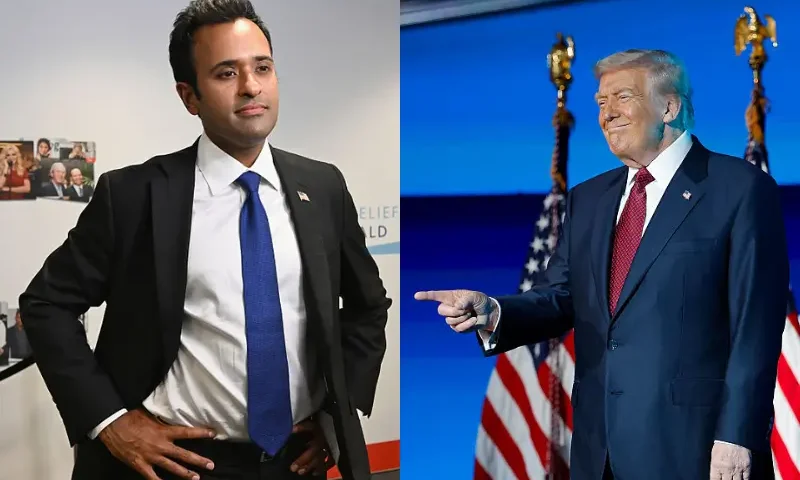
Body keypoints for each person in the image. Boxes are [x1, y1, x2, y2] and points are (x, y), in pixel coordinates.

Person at [19, 1, 391, 479]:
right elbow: (46, 304)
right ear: (189, 96)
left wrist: (338, 413)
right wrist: (109, 421)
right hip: (173, 466)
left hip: (295, 463)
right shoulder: (133, 196)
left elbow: (367, 305)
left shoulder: (323, 187)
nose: (251, 86)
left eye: (263, 67)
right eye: (225, 73)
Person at [415, 49, 788, 480]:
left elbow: (755, 329)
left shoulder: (739, 189)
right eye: (599, 103)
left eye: (621, 97)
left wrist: (738, 436)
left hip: (698, 450)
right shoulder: (589, 198)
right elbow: (561, 296)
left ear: (669, 106)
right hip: (599, 452)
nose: (606, 114)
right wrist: (494, 311)